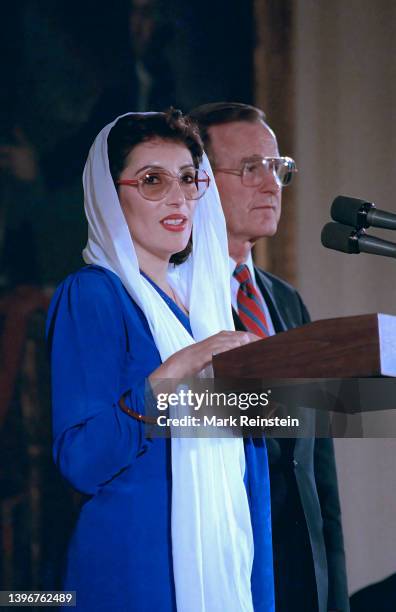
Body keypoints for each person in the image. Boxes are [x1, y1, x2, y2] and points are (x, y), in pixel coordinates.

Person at [46, 109, 275, 611]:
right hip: (134, 574)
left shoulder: (213, 308)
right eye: (152, 180)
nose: (177, 196)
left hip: (228, 565)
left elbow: (248, 471)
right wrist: (170, 376)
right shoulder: (93, 295)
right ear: (110, 196)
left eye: (189, 179)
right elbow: (82, 461)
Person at [189, 102, 350, 612]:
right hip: (225, 570)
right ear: (200, 184)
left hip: (304, 574)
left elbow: (317, 468)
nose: (270, 184)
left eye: (277, 168)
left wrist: (334, 592)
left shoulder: (286, 301)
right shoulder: (176, 301)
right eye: (250, 168)